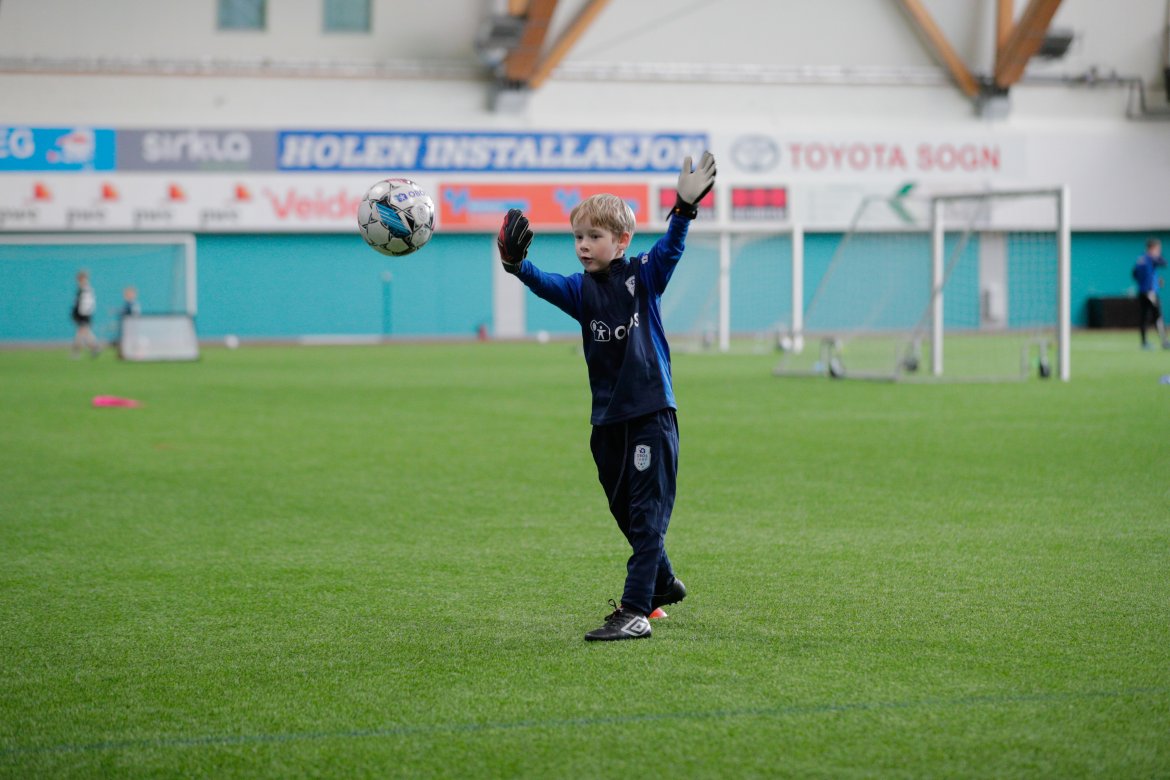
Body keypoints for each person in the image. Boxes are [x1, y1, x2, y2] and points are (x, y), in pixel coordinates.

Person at [497, 152, 716, 642]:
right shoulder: (581, 291)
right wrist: (515, 264)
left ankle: (636, 610)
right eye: (578, 236)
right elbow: (541, 282)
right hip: (607, 422)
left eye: (593, 236)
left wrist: (683, 209)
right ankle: (663, 582)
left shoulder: (643, 276)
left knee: (646, 515)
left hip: (650, 413)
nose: (582, 245)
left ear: (621, 240)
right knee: (625, 512)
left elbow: (672, 248)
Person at [1132, 238, 1168, 350]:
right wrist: (1151, 286)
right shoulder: (1150, 258)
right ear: (1153, 248)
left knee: (1144, 316)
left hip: (1142, 291)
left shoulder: (1141, 258)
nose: (1159, 251)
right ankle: (1164, 341)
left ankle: (1144, 343)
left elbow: (1134, 274)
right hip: (1150, 292)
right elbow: (1164, 262)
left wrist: (1152, 282)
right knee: (1158, 316)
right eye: (1158, 249)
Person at [70, 270, 100, 358]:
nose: (80, 281)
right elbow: (77, 303)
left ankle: (77, 352)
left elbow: (87, 305)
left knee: (81, 333)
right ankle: (95, 347)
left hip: (84, 316)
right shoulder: (81, 290)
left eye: (81, 279)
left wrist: (83, 315)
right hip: (81, 316)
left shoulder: (86, 290)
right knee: (85, 333)